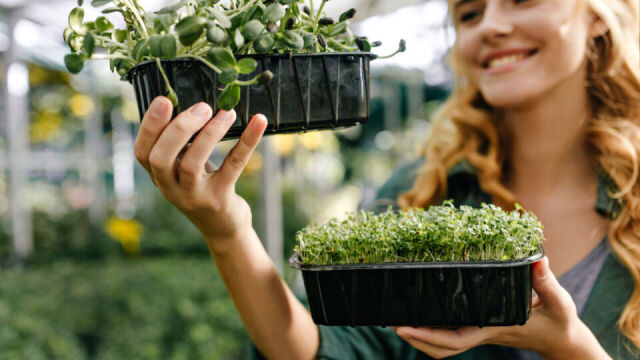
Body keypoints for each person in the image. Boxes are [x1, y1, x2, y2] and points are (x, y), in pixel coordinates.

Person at [133, 0, 640, 358]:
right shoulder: (421, 190)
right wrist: (227, 230)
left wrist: (570, 349)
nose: (492, 25)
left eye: (522, 0)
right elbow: (322, 348)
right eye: (470, 12)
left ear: (597, 15)